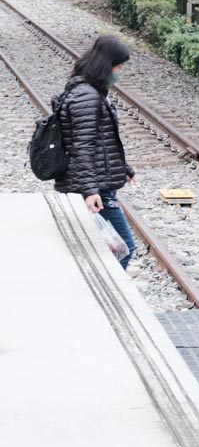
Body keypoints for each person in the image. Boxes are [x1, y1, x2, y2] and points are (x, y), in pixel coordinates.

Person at [54, 34, 137, 270]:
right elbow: (82, 146)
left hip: (95, 183)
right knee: (123, 249)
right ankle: (104, 301)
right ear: (107, 65)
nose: (120, 71)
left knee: (102, 250)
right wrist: (91, 191)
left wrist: (124, 169)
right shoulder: (88, 97)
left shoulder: (88, 92)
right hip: (95, 188)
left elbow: (101, 140)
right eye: (119, 66)